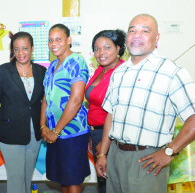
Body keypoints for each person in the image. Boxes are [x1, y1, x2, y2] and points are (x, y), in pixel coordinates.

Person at [96, 14, 195, 193]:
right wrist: (103, 153)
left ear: (156, 38)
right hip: (116, 155)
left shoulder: (171, 72)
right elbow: (111, 115)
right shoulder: (119, 72)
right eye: (132, 30)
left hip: (148, 160)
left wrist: (169, 151)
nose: (137, 35)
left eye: (145, 31)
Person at [0, 31, 46, 193]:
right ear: (12, 51)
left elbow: (43, 101)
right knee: (16, 178)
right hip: (10, 132)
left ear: (32, 49)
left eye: (24, 48)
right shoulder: (2, 72)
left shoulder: (41, 72)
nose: (21, 53)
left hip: (34, 133)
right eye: (16, 49)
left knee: (27, 176)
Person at [41, 24, 90, 193]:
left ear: (69, 40)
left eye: (58, 39)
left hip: (72, 131)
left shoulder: (77, 61)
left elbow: (76, 100)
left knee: (73, 178)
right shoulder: (51, 67)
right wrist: (43, 126)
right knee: (62, 177)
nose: (53, 43)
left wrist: (56, 131)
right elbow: (46, 98)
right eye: (50, 40)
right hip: (54, 131)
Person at [85, 29, 126, 193]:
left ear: (118, 48)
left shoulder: (122, 72)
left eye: (107, 47)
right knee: (103, 183)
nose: (101, 53)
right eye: (97, 48)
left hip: (111, 137)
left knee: (113, 184)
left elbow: (121, 111)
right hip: (96, 134)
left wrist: (105, 141)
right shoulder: (99, 70)